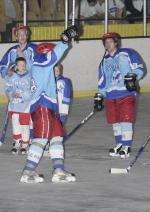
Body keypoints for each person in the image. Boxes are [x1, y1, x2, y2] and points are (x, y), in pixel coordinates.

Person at [20, 26, 78, 183]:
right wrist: (64, 40)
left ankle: (58, 171)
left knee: (57, 136)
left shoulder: (36, 65)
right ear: (45, 53)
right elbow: (54, 55)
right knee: (40, 139)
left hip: (47, 108)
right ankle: (28, 172)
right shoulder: (42, 63)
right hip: (43, 107)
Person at [94, 32, 144, 159]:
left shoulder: (127, 53)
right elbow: (102, 81)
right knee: (115, 121)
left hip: (125, 92)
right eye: (106, 42)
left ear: (116, 42)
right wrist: (100, 95)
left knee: (125, 119)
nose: (108, 44)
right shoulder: (103, 62)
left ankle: (126, 146)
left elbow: (139, 68)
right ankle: (119, 144)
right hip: (111, 95)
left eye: (110, 41)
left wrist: (133, 76)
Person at [5, 57, 31, 155]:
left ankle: (25, 144)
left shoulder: (29, 76)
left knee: (24, 125)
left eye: (23, 64)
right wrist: (11, 93)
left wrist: (21, 95)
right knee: (15, 125)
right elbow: (7, 88)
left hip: (24, 106)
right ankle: (17, 142)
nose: (22, 66)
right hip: (14, 105)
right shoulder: (12, 76)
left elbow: (31, 90)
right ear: (16, 66)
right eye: (20, 64)